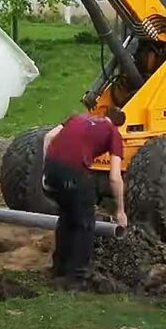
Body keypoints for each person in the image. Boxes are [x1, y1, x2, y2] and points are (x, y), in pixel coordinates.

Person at [42, 107, 128, 290]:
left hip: (51, 167)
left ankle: (60, 269)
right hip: (74, 171)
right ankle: (77, 277)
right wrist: (120, 210)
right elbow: (115, 177)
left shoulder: (77, 118)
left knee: (67, 217)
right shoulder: (113, 133)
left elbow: (48, 137)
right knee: (85, 222)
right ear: (119, 125)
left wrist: (46, 169)